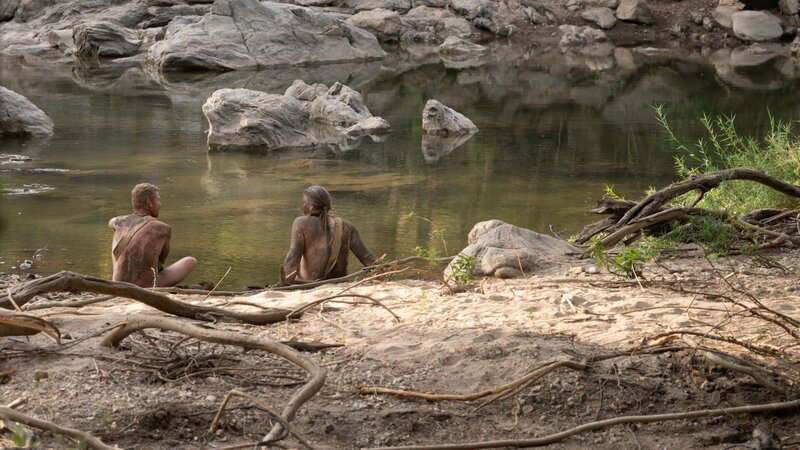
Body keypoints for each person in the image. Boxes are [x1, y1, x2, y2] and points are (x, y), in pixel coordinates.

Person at [282, 185, 376, 284]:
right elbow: (368, 259)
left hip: (311, 285)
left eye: (305, 203)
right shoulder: (347, 227)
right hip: (341, 284)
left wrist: (283, 283)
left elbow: (292, 259)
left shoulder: (301, 223)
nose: (302, 207)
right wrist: (385, 272)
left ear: (311, 206)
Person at [108, 183, 197, 288]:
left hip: (118, 285)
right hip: (146, 287)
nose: (160, 204)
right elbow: (160, 262)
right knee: (190, 261)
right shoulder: (163, 229)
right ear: (149, 203)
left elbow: (111, 222)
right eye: (158, 200)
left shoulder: (119, 222)